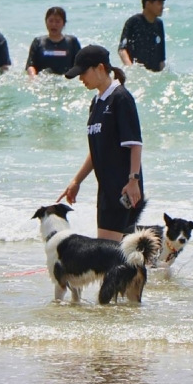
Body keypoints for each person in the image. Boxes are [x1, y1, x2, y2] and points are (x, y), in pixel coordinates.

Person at [59, 45, 144, 241]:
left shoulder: (120, 98)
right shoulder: (97, 102)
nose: (81, 79)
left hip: (123, 188)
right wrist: (76, 181)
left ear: (100, 68)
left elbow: (135, 144)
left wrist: (133, 181)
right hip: (106, 189)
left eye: (83, 73)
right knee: (119, 258)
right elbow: (96, 150)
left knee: (109, 255)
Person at [118, 0, 166, 72]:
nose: (162, 7)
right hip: (138, 73)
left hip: (154, 74)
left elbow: (161, 57)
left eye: (162, 3)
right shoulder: (134, 21)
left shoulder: (159, 24)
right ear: (148, 4)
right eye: (159, 3)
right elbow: (122, 49)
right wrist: (131, 69)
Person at [26, 6, 82, 76]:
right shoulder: (38, 42)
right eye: (51, 21)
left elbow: (81, 65)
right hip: (43, 81)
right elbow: (30, 65)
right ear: (46, 22)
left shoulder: (72, 42)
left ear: (64, 23)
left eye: (58, 21)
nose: (54, 24)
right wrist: (33, 79)